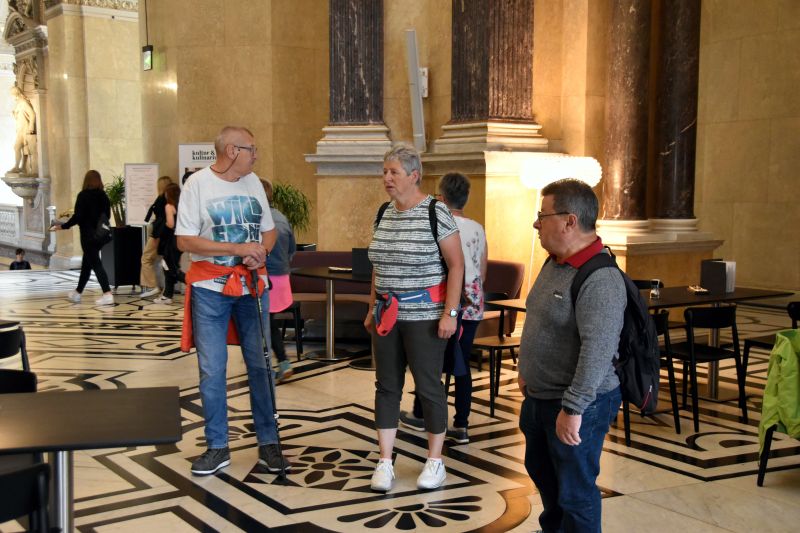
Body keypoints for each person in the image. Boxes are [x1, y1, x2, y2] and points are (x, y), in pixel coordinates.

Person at [176, 125, 288, 476]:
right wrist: (237, 249)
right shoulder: (197, 185)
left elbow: (269, 231)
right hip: (210, 289)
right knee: (212, 369)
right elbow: (184, 241)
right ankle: (217, 446)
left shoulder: (253, 183)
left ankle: (269, 444)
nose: (256, 155)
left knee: (261, 365)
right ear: (231, 151)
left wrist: (260, 252)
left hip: (252, 287)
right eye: (251, 149)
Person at [518, 178, 625, 532]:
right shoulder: (555, 263)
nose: (536, 223)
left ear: (569, 221)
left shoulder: (601, 277)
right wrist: (526, 371)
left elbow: (598, 351)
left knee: (576, 493)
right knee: (546, 479)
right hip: (540, 398)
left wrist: (574, 409)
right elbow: (540, 319)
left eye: (542, 215)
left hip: (578, 405)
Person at [365, 144, 464, 492]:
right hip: (386, 316)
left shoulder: (436, 212)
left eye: (394, 172)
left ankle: (435, 461)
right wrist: (371, 306)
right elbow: (378, 265)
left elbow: (456, 266)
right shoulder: (383, 212)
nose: (387, 178)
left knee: (428, 387)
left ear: (414, 175)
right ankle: (384, 461)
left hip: (425, 316)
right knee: (386, 386)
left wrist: (451, 313)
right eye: (384, 172)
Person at [400, 172, 487, 444]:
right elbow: (482, 267)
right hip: (473, 301)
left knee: (429, 361)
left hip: (444, 301)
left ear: (441, 197)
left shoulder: (439, 222)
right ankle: (462, 425)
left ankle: (422, 415)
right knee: (462, 364)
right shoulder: (477, 227)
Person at [52, 170, 114, 306]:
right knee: (87, 264)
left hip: (87, 236)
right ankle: (77, 293)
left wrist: (63, 226)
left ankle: (107, 293)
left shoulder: (83, 195)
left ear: (86, 181)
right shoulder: (103, 195)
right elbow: (108, 215)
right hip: (100, 235)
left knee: (96, 263)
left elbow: (78, 216)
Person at [261, 178, 296, 383]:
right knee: (268, 322)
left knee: (265, 323)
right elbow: (292, 249)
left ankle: (280, 363)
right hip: (282, 278)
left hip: (266, 279)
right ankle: (280, 362)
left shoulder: (260, 220)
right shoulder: (282, 217)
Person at [140, 175, 174, 298]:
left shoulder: (161, 199)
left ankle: (152, 286)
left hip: (158, 234)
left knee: (146, 258)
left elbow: (160, 218)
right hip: (168, 234)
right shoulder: (172, 200)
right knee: (167, 262)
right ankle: (166, 290)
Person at [154, 183, 184, 304]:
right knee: (168, 266)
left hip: (171, 240)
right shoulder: (182, 205)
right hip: (180, 239)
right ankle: (167, 295)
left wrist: (162, 228)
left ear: (169, 194)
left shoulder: (169, 206)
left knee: (171, 268)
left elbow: (170, 224)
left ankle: (193, 283)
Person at [10, 86, 36, 175]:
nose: (12, 96)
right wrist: (15, 114)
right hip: (20, 128)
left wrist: (31, 127)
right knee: (24, 148)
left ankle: (17, 167)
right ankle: (23, 167)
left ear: (16, 94)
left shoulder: (23, 103)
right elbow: (21, 117)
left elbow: (32, 114)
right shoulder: (19, 104)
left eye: (13, 94)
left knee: (17, 147)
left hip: (24, 129)